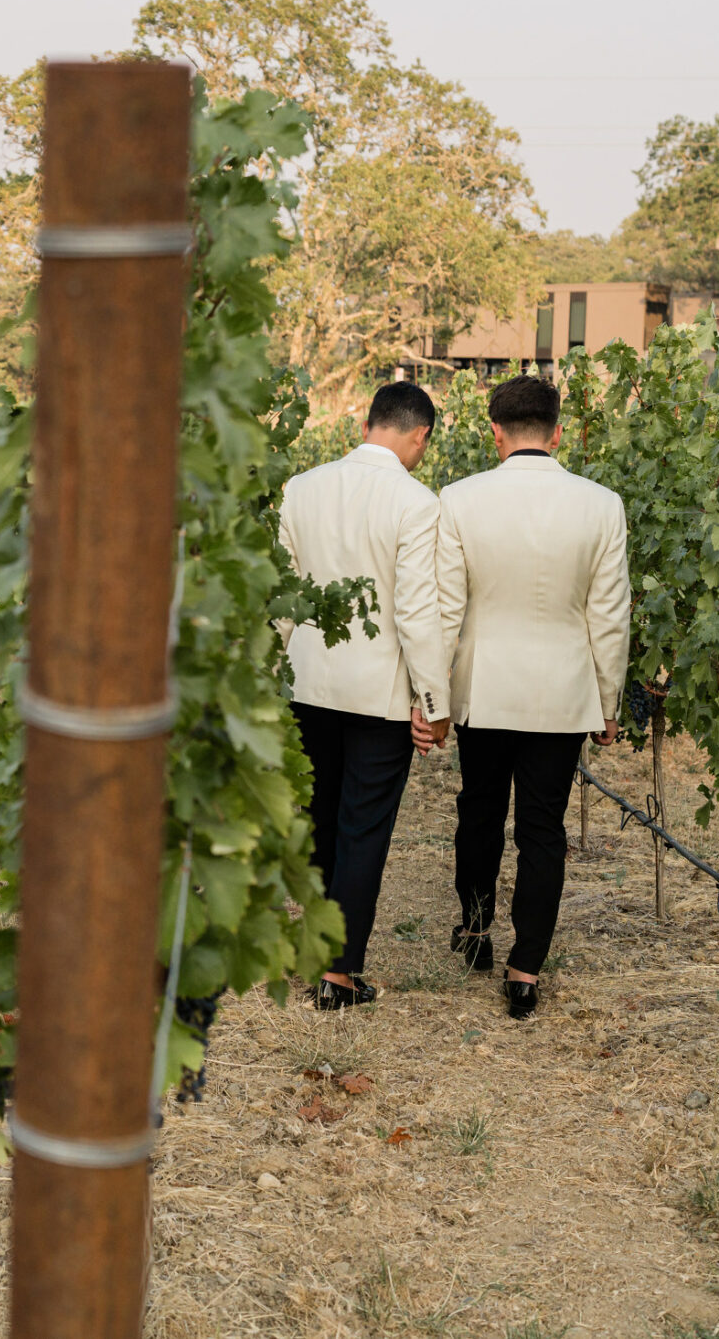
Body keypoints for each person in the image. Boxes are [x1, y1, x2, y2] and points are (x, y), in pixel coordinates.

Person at [433, 373, 629, 1020]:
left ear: (495, 433)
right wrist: (609, 700)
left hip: (484, 686)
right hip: (562, 692)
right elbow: (609, 616)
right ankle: (525, 970)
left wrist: (432, 695)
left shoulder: (459, 500)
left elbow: (445, 610)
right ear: (558, 431)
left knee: (480, 812)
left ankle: (476, 931)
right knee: (543, 830)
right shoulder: (601, 505)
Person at [279, 380, 452, 1009]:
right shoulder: (416, 502)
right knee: (363, 829)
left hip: (305, 684)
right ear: (419, 435)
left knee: (321, 822)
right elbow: (416, 613)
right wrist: (433, 703)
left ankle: (324, 954)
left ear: (366, 423)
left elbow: (283, 596)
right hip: (378, 696)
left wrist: (266, 674)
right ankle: (339, 973)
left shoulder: (301, 488)